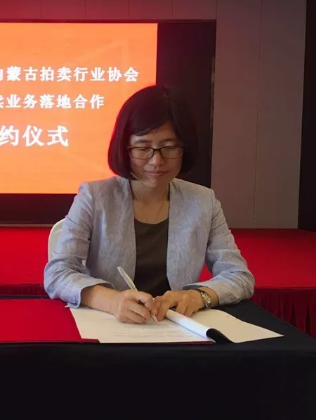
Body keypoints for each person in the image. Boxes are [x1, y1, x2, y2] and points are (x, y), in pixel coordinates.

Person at [44, 85, 254, 324]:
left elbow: (239, 276)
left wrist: (198, 296)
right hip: (111, 326)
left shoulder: (203, 201)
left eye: (169, 147)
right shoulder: (94, 197)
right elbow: (57, 273)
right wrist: (111, 301)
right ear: (125, 148)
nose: (156, 161)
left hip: (177, 328)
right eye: (143, 148)